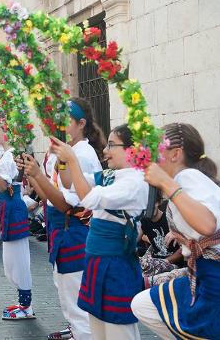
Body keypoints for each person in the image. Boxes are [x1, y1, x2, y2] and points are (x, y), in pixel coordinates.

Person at [51, 123, 148, 340]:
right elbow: (69, 184)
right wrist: (63, 160)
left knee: (118, 330)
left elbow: (89, 199)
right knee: (98, 329)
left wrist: (73, 159)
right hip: (97, 260)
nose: (105, 150)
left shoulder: (135, 181)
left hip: (116, 264)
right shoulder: (111, 175)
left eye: (112, 145)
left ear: (132, 150)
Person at [18, 98, 104, 340]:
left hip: (75, 235)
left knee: (79, 310)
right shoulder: (71, 151)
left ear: (82, 123)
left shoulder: (82, 154)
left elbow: (68, 203)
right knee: (71, 304)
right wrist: (34, 175)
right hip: (64, 235)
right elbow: (50, 198)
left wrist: (37, 175)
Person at [131, 123, 220, 340]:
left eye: (157, 150)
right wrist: (181, 235)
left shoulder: (187, 177)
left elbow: (208, 224)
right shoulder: (188, 180)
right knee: (144, 304)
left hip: (216, 278)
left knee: (145, 305)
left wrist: (165, 182)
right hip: (205, 274)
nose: (152, 156)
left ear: (175, 154)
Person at [0, 125, 35, 320]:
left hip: (12, 206)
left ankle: (26, 305)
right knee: (13, 260)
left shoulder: (12, 154)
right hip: (10, 207)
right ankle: (23, 302)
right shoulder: (9, 153)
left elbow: (4, 185)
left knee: (17, 259)